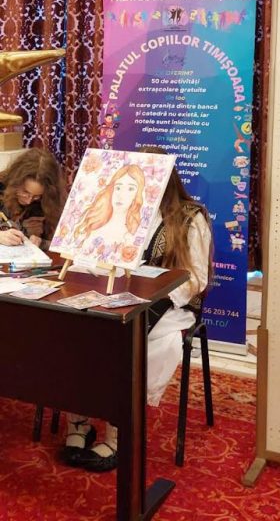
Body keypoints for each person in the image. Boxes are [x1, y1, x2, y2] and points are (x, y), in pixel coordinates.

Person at [62, 147, 213, 472]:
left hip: (167, 304)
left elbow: (197, 278)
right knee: (78, 334)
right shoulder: (118, 210)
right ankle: (79, 420)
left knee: (136, 343)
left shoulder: (190, 217)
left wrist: (156, 295)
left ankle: (119, 430)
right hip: (112, 295)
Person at [72, 163, 146, 265]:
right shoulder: (94, 223)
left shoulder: (131, 235)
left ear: (137, 195)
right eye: (118, 188)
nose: (121, 195)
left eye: (130, 189)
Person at [0, 147, 65, 250]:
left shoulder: (50, 202)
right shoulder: (1, 186)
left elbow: (63, 244)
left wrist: (41, 242)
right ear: (15, 182)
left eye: (36, 196)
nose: (28, 201)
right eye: (25, 192)